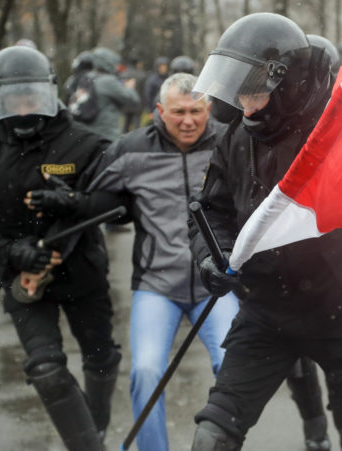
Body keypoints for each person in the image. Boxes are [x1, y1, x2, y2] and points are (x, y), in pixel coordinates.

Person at [187, 13, 342, 451]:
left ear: (288, 84)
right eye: (240, 94)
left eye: (255, 94)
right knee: (213, 433)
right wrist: (213, 256)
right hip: (267, 310)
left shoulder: (339, 134)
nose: (246, 107)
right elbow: (209, 212)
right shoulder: (236, 138)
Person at [82, 72, 238, 451]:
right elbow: (89, 195)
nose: (188, 120)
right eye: (178, 112)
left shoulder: (228, 142)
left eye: (197, 111)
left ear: (208, 109)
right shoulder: (131, 150)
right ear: (159, 111)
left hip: (214, 285)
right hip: (157, 285)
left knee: (232, 368)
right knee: (146, 371)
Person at [0, 45, 122, 450]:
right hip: (24, 281)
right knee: (46, 370)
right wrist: (11, 252)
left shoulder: (86, 144)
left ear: (49, 91)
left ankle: (95, 433)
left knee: (101, 360)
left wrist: (72, 203)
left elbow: (119, 204)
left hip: (83, 273)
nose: (23, 108)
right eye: (11, 99)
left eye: (31, 96)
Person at [82, 46, 141, 140]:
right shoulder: (108, 81)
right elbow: (132, 99)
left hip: (88, 132)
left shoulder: (88, 77)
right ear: (108, 62)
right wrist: (130, 88)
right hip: (105, 133)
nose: (117, 67)